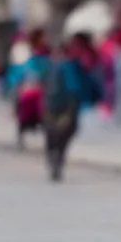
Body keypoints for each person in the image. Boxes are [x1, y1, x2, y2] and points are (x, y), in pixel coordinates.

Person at [42, 45, 82, 182]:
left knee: (54, 137)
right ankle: (56, 161)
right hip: (58, 108)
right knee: (61, 137)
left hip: (56, 108)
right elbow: (73, 89)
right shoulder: (62, 67)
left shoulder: (56, 67)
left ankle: (54, 160)